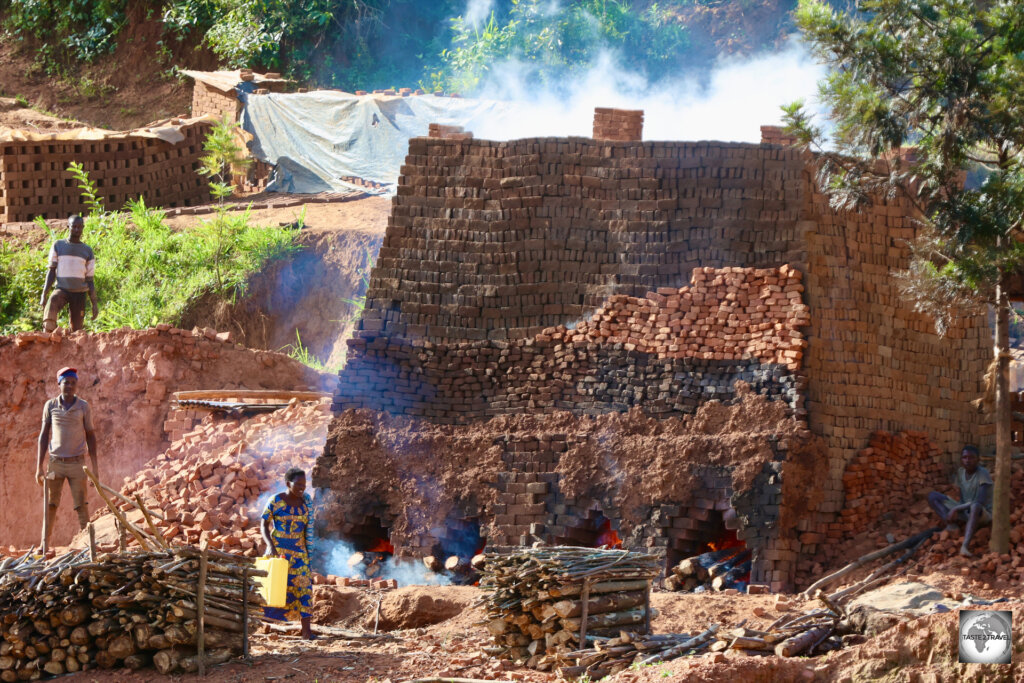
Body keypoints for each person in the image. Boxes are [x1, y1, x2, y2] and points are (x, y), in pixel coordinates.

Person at [36, 367, 98, 554]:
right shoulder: (50, 406)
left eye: (73, 382)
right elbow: (44, 436)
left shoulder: (83, 407)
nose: (69, 386)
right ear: (59, 384)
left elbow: (91, 436)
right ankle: (44, 545)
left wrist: (95, 469)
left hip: (77, 464)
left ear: (76, 384)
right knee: (50, 505)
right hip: (55, 463)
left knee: (81, 506)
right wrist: (39, 467)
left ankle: (87, 547)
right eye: (66, 382)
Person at [261, 468, 316, 639]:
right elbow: (263, 524)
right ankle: (262, 625)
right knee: (273, 587)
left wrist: (308, 553)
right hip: (279, 553)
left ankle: (306, 632)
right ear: (288, 484)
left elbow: (309, 531)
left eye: (304, 485)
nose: (302, 488)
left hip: (299, 554)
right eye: (298, 484)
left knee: (304, 587)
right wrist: (269, 545)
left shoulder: (307, 504)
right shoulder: (276, 500)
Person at [927, 445, 992, 557]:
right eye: (965, 457)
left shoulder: (982, 473)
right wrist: (957, 509)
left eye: (971, 457)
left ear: (978, 459)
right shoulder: (961, 472)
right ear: (961, 459)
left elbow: (980, 501)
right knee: (932, 496)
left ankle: (965, 546)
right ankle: (952, 526)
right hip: (965, 509)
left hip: (981, 513)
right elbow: (962, 497)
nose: (967, 460)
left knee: (975, 506)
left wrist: (957, 508)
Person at [40, 215, 98, 332]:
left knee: (77, 330)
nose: (77, 230)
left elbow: (90, 280)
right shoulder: (58, 245)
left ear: (83, 228)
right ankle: (48, 337)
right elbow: (51, 271)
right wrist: (44, 294)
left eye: (79, 227)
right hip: (62, 289)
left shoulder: (87, 251)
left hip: (80, 293)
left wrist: (94, 304)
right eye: (74, 226)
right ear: (68, 227)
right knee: (52, 303)